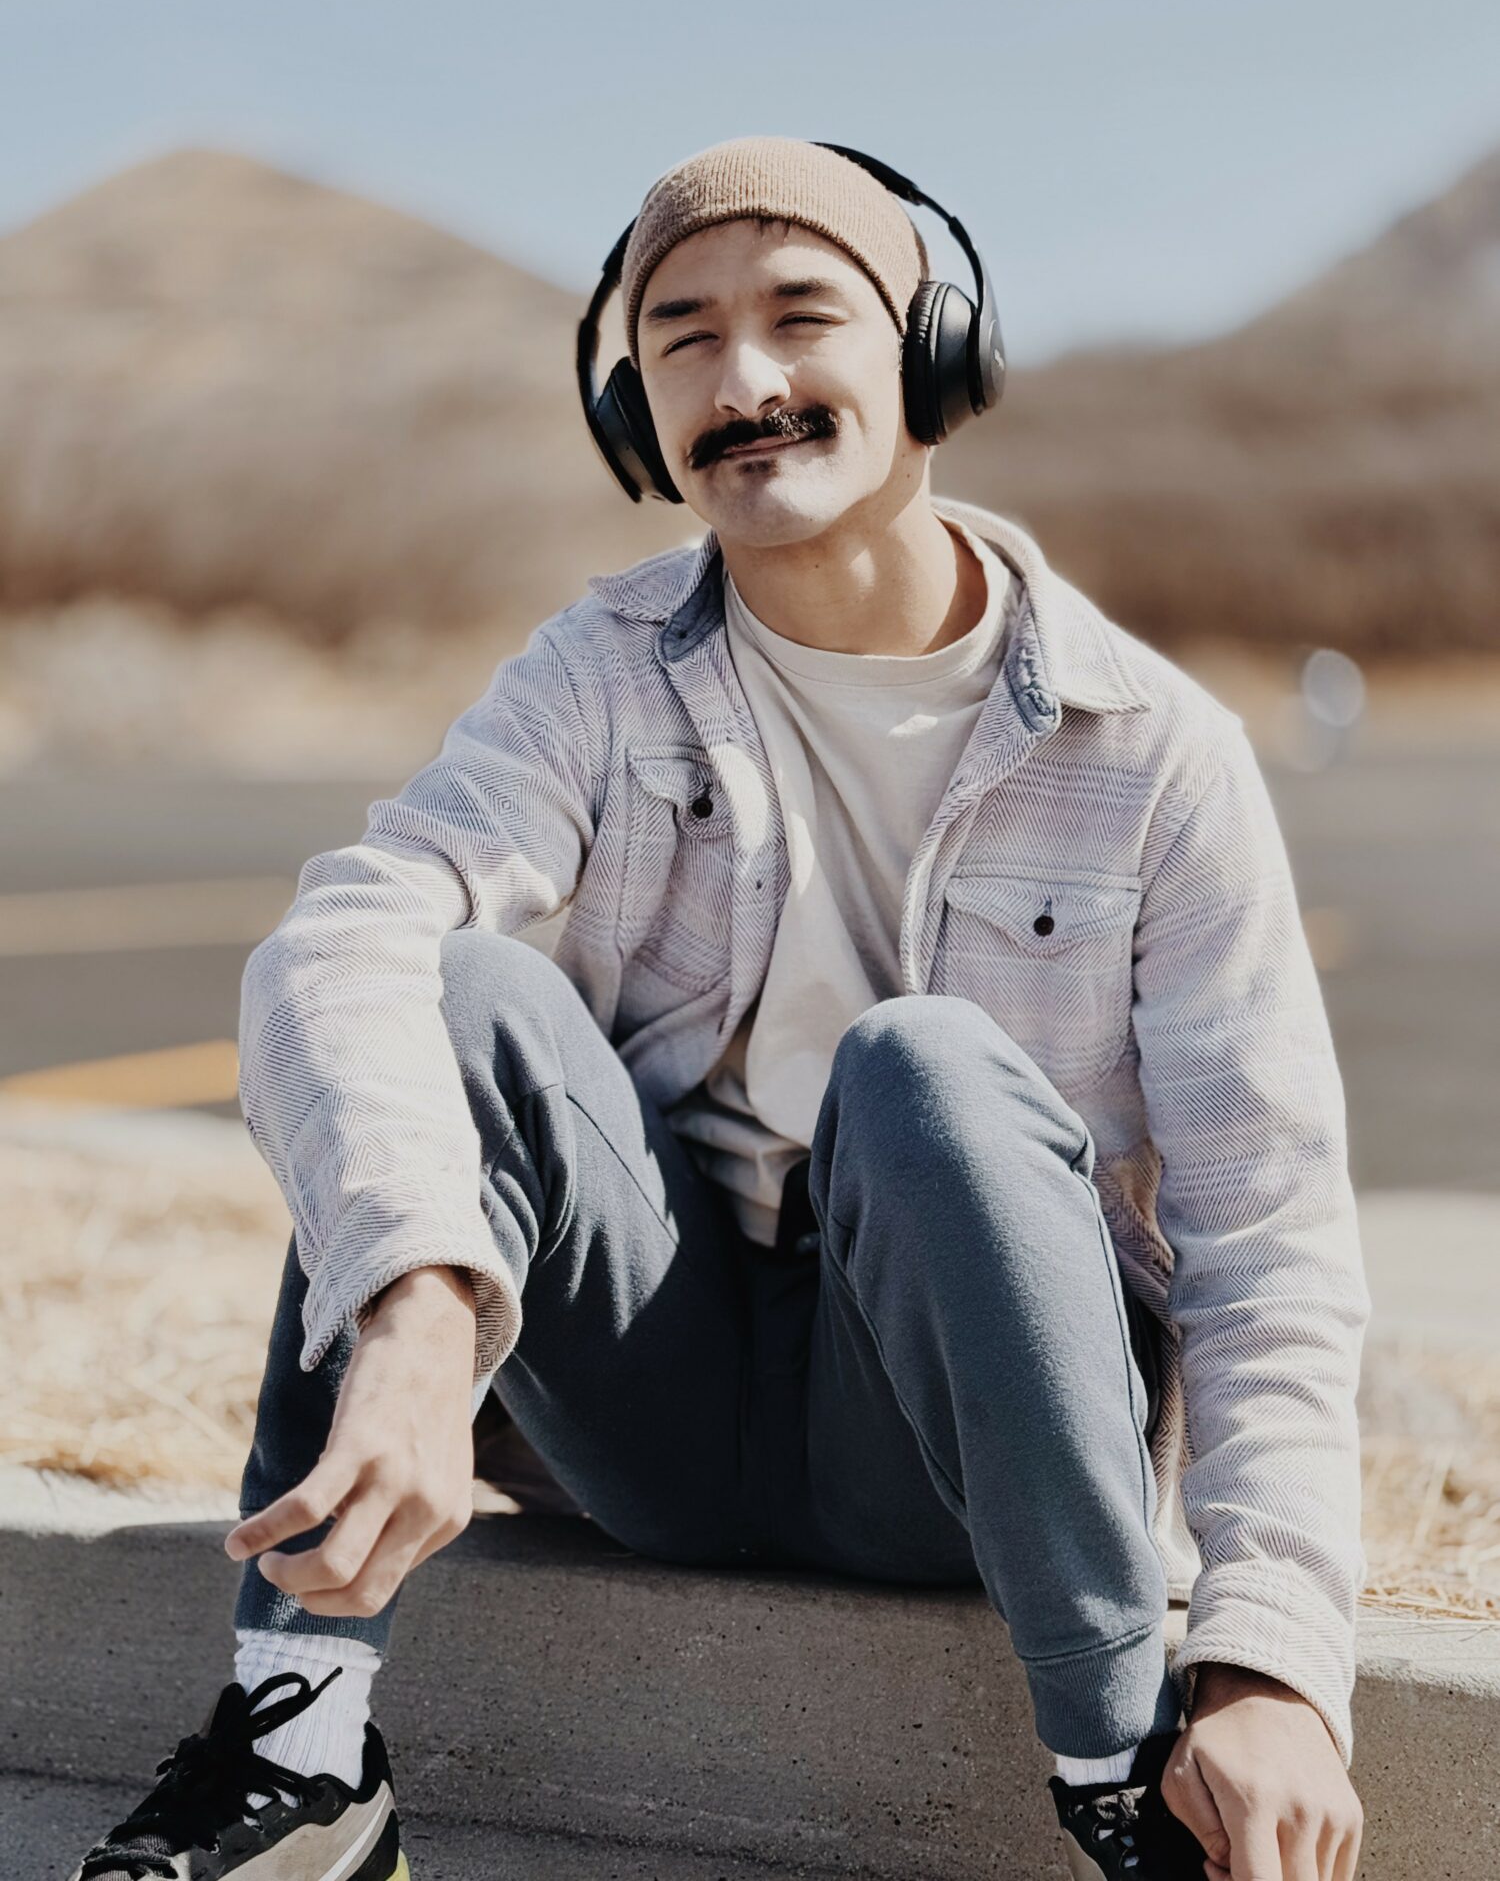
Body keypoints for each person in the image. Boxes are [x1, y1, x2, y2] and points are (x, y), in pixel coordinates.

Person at [70, 136, 1370, 1881]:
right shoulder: (600, 674)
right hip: (657, 1415)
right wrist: (415, 1289)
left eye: (798, 317)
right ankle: (305, 1755)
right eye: (680, 337)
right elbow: (344, 939)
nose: (741, 381)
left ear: (929, 354)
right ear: (634, 412)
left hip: (949, 1459)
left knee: (928, 1072)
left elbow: (1268, 1242)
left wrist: (1271, 1661)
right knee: (443, 985)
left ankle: (1117, 1781)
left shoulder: (1155, 755)